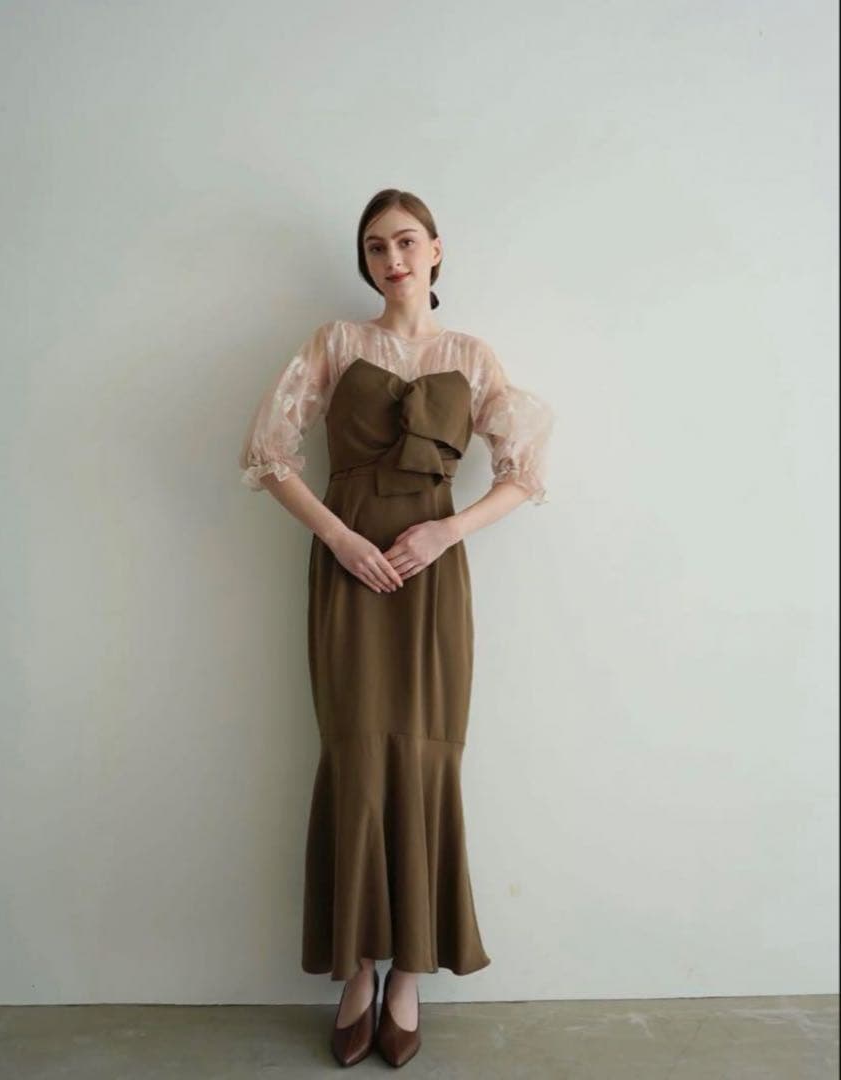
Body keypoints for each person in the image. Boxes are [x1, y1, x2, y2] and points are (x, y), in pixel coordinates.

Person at [238, 189, 556, 1067]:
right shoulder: (335, 344)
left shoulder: (470, 356)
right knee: (355, 756)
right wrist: (340, 538)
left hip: (431, 575)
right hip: (348, 570)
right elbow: (267, 453)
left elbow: (525, 471)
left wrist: (448, 531)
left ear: (437, 250)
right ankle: (357, 972)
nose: (393, 259)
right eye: (376, 247)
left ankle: (409, 975)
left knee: (425, 757)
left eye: (407, 242)